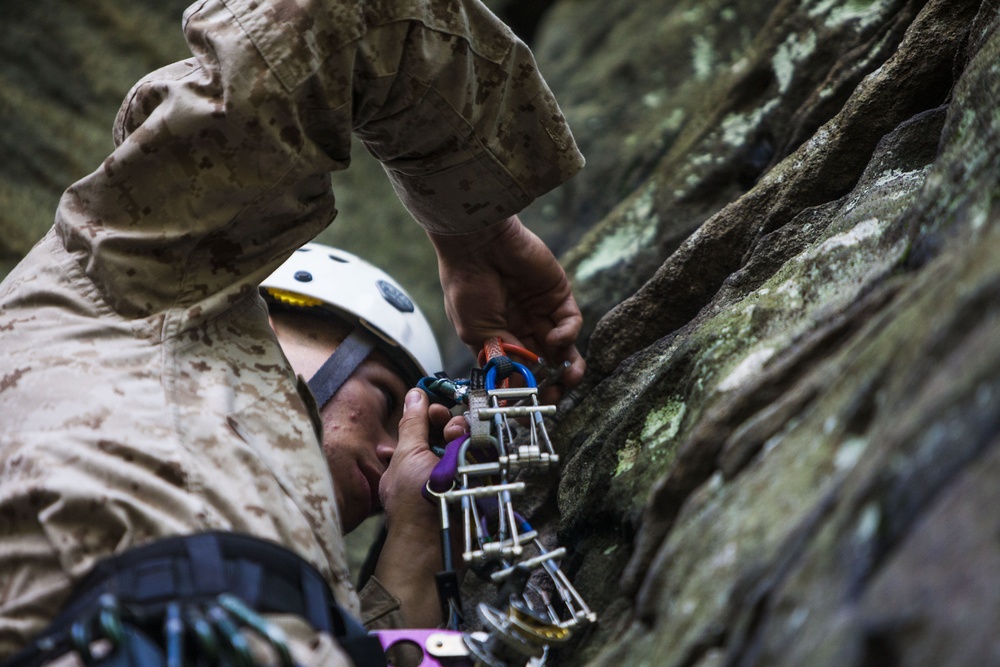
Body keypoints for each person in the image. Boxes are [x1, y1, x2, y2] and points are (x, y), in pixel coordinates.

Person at [0, 0, 585, 664]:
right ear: (282, 320)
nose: (398, 449)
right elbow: (337, 15)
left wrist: (414, 545)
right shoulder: (124, 282)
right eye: (390, 400)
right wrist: (477, 232)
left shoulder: (308, 574)